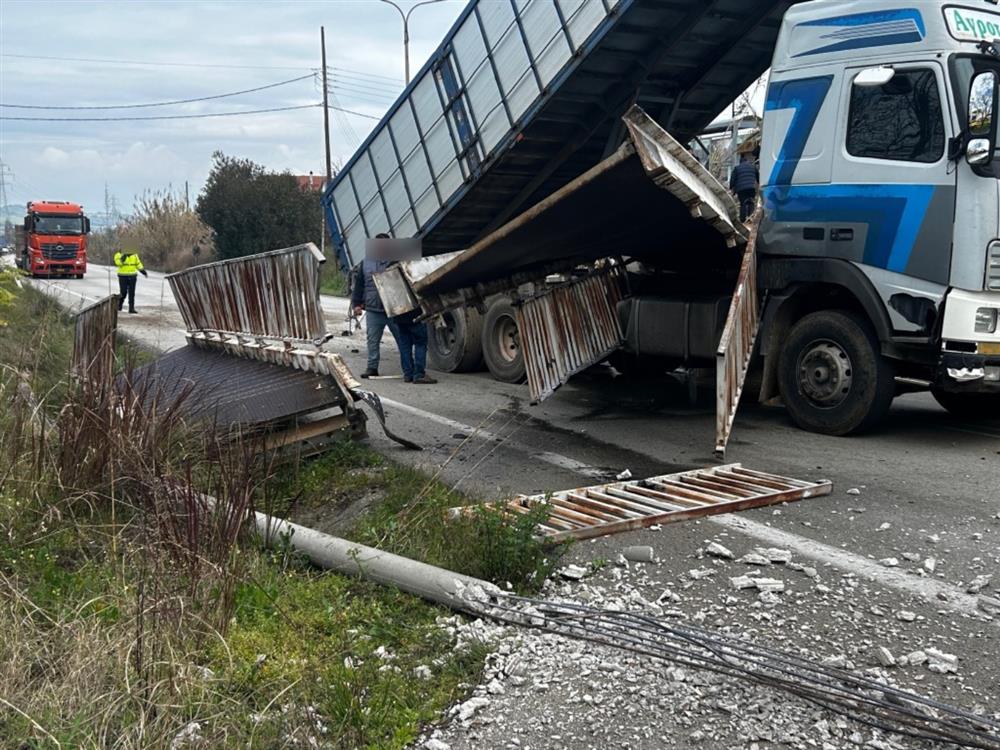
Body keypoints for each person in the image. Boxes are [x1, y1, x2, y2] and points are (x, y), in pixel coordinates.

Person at [351, 234, 391, 378]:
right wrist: (356, 305)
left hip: (392, 309)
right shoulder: (366, 262)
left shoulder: (395, 260)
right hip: (373, 309)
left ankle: (410, 370)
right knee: (372, 340)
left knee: (403, 340)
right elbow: (359, 285)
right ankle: (372, 367)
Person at [388, 309, 437, 385]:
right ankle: (419, 374)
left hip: (399, 317)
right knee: (420, 344)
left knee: (405, 346)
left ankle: (408, 374)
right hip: (415, 315)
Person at [113, 247, 147, 314]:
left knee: (132, 293)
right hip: (123, 276)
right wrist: (124, 256)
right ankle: (119, 305)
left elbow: (138, 263)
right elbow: (118, 263)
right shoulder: (118, 254)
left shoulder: (134, 255)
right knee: (123, 292)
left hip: (132, 276)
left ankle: (131, 308)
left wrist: (143, 271)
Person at [729, 153, 759, 222]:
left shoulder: (737, 168)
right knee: (751, 202)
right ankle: (750, 218)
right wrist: (759, 183)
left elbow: (732, 179)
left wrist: (731, 188)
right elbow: (758, 176)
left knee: (743, 203)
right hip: (751, 188)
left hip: (741, 189)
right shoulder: (753, 167)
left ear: (740, 162)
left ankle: (743, 219)